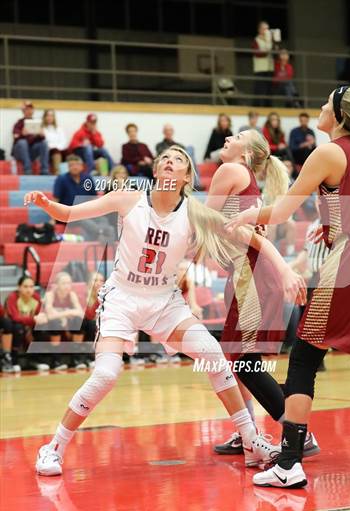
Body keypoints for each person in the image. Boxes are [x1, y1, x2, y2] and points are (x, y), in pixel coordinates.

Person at [24, 145, 303, 476]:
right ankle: (53, 447)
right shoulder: (128, 198)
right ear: (156, 171)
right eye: (165, 159)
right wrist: (46, 204)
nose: (171, 162)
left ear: (186, 178)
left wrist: (284, 270)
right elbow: (69, 214)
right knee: (106, 375)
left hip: (164, 302)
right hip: (122, 299)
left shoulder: (195, 212)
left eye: (179, 160)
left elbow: (254, 239)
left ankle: (250, 440)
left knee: (213, 353)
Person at [226, 85, 350, 488]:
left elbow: (281, 212)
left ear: (338, 115)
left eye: (326, 103)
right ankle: (289, 459)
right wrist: (330, 228)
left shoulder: (328, 152)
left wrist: (244, 217)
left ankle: (288, 463)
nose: (319, 107)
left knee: (303, 358)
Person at [205, 129, 318, 458]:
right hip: (248, 275)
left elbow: (201, 221)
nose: (229, 137)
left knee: (244, 363)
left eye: (238, 135)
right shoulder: (248, 181)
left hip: (252, 277)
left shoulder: (230, 170)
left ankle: (298, 433)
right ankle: (248, 433)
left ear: (248, 154)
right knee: (238, 359)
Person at [53, 154, 116, 243]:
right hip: (68, 214)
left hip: (86, 211)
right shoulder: (61, 179)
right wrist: (53, 218)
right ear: (68, 167)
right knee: (82, 219)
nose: (74, 167)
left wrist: (97, 212)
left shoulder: (88, 178)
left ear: (82, 166)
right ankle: (102, 233)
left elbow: (94, 198)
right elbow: (55, 200)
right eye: (71, 165)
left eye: (77, 164)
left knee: (103, 219)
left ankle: (104, 237)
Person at [40, 272, 85, 371]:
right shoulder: (50, 295)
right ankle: (56, 360)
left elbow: (80, 313)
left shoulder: (72, 295)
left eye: (69, 283)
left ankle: (76, 359)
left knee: (79, 321)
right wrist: (67, 314)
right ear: (56, 285)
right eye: (64, 283)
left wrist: (63, 314)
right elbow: (50, 316)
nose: (67, 286)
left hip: (66, 324)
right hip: (47, 326)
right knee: (55, 323)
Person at [4, 276, 49, 372]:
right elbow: (15, 317)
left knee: (43, 327)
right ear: (19, 287)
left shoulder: (36, 298)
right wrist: (33, 319)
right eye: (25, 286)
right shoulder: (12, 298)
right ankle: (14, 361)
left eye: (31, 287)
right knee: (18, 327)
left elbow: (40, 315)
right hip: (15, 328)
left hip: (30, 327)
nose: (29, 290)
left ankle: (35, 360)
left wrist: (42, 318)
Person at [12, 101, 49, 175]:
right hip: (19, 152)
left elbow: (40, 141)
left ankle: (44, 170)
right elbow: (15, 137)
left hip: (31, 151)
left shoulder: (37, 123)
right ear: (23, 111)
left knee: (44, 143)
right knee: (22, 142)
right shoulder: (19, 123)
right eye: (27, 109)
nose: (29, 111)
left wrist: (41, 135)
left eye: (30, 109)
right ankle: (27, 169)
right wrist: (22, 134)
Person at [252, 21, 274, 107]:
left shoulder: (270, 40)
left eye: (267, 29)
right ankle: (257, 105)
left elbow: (275, 51)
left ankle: (268, 105)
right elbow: (257, 53)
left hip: (270, 68)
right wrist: (267, 50)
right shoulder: (256, 40)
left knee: (269, 88)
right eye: (264, 29)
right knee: (259, 88)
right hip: (260, 68)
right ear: (260, 30)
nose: (266, 31)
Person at [42, 109, 67, 175]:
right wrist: (53, 147)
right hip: (47, 150)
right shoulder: (42, 129)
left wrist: (57, 147)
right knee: (55, 152)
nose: (49, 117)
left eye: (51, 116)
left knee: (66, 153)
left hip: (59, 149)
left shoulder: (59, 129)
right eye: (48, 115)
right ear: (44, 117)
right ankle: (57, 173)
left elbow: (63, 141)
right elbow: (44, 142)